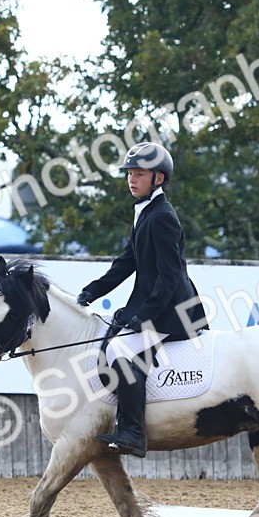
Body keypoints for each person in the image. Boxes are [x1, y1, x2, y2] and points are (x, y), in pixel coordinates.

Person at [76, 141, 208, 458]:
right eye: (130, 174)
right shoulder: (144, 212)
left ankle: (134, 433)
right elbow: (127, 261)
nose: (132, 180)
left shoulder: (163, 216)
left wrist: (145, 315)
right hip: (155, 306)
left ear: (158, 179)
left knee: (121, 353)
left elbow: (170, 276)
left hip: (173, 312)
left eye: (139, 174)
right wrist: (93, 290)